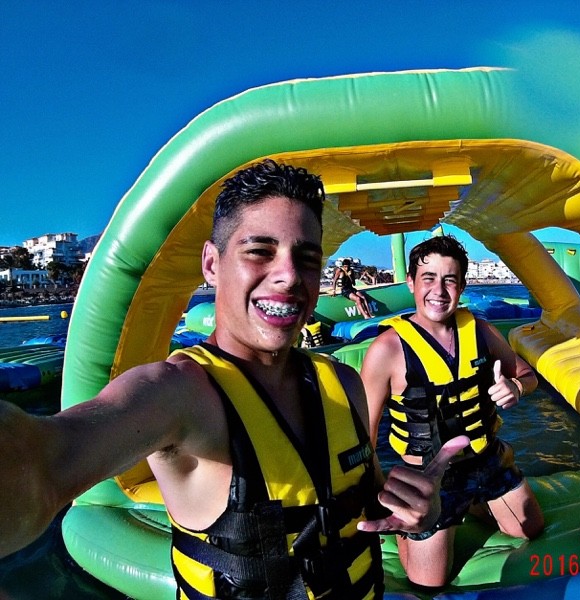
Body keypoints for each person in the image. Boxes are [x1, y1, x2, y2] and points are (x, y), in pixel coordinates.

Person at [0, 159, 468, 599]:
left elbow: (365, 504)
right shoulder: (178, 395)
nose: (288, 276)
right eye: (260, 251)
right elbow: (43, 462)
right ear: (211, 263)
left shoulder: (343, 384)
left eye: (306, 258)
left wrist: (420, 513)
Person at [360, 235, 545, 589]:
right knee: (429, 582)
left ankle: (474, 501)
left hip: (487, 459)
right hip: (428, 479)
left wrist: (516, 388)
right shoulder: (387, 350)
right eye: (428, 278)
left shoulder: (480, 331)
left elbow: (527, 375)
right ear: (411, 282)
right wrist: (382, 497)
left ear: (461, 286)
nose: (439, 290)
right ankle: (410, 533)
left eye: (449, 280)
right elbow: (363, 437)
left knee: (530, 530)